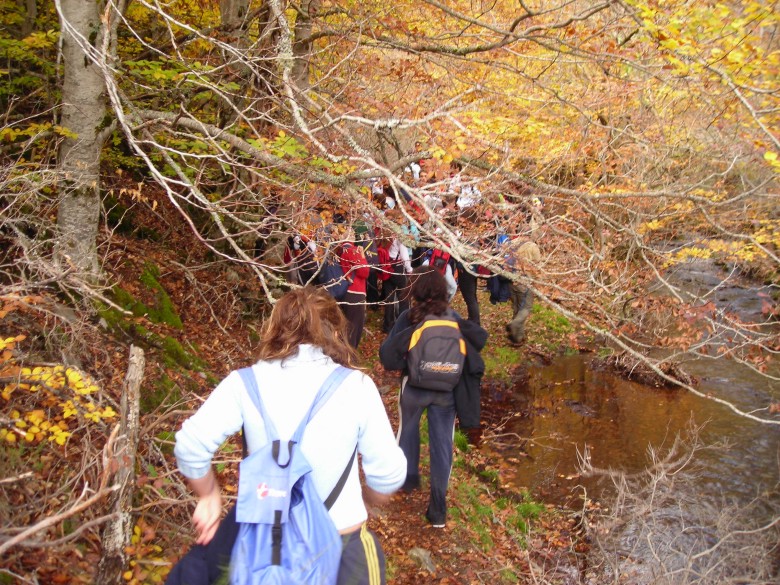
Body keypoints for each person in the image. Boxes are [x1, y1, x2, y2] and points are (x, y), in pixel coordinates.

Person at [172, 287, 407, 585]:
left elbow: (190, 447)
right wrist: (368, 498)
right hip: (341, 541)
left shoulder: (243, 383)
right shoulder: (357, 386)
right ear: (336, 331)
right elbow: (388, 475)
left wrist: (208, 495)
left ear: (275, 328)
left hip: (263, 547)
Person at [379, 267, 488, 528]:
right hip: (447, 392)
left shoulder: (409, 317)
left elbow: (388, 355)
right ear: (442, 289)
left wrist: (409, 362)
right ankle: (438, 510)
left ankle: (406, 481)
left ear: (415, 289)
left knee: (407, 431)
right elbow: (472, 348)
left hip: (414, 388)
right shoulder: (454, 317)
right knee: (442, 446)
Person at [339, 228, 370, 348]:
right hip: (355, 291)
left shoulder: (338, 250)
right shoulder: (352, 250)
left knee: (345, 326)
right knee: (354, 328)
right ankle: (350, 355)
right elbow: (364, 272)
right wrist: (362, 257)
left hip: (343, 290)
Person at [506, 240, 541, 345]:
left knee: (517, 308)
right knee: (526, 307)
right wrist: (538, 283)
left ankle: (517, 338)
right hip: (525, 282)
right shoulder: (533, 247)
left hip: (511, 280)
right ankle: (514, 324)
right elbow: (537, 267)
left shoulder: (514, 242)